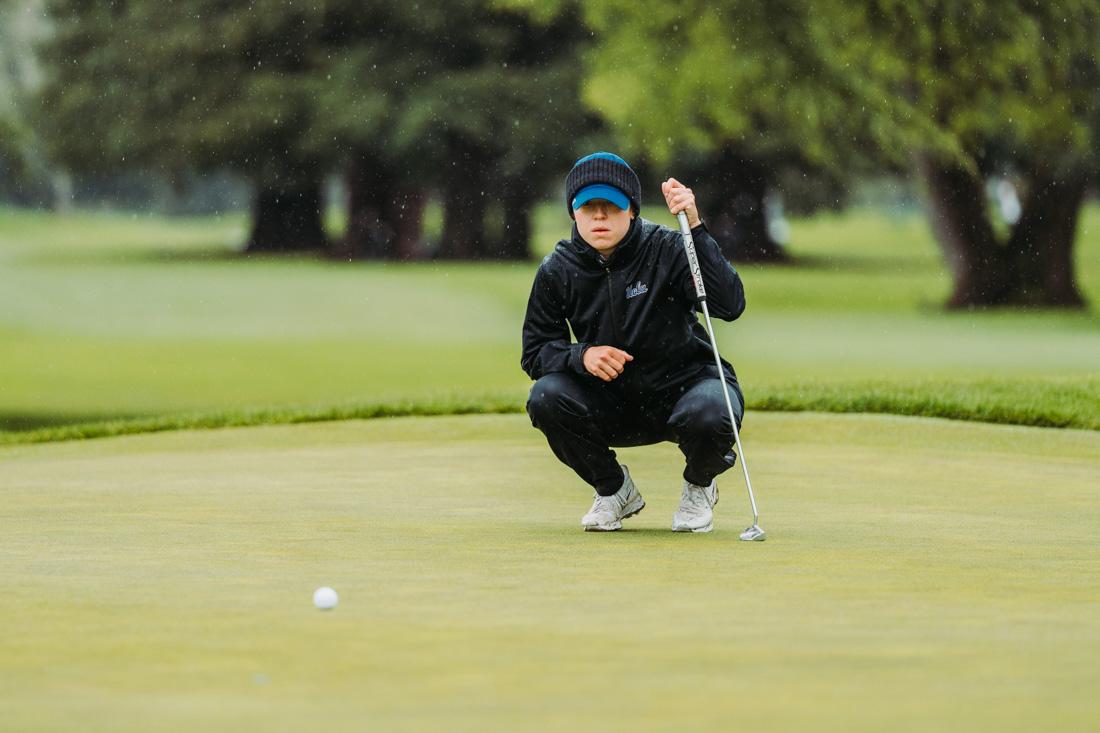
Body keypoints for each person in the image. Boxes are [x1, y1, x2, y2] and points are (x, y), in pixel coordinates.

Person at [521, 151, 746, 532]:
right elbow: (535, 352)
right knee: (545, 397)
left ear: (631, 210)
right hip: (609, 401)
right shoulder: (557, 269)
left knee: (716, 407)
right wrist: (582, 356)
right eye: (588, 206)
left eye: (611, 205)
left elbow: (729, 304)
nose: (600, 216)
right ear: (573, 212)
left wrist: (696, 228)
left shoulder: (670, 248)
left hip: (684, 389)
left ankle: (699, 487)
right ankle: (614, 490)